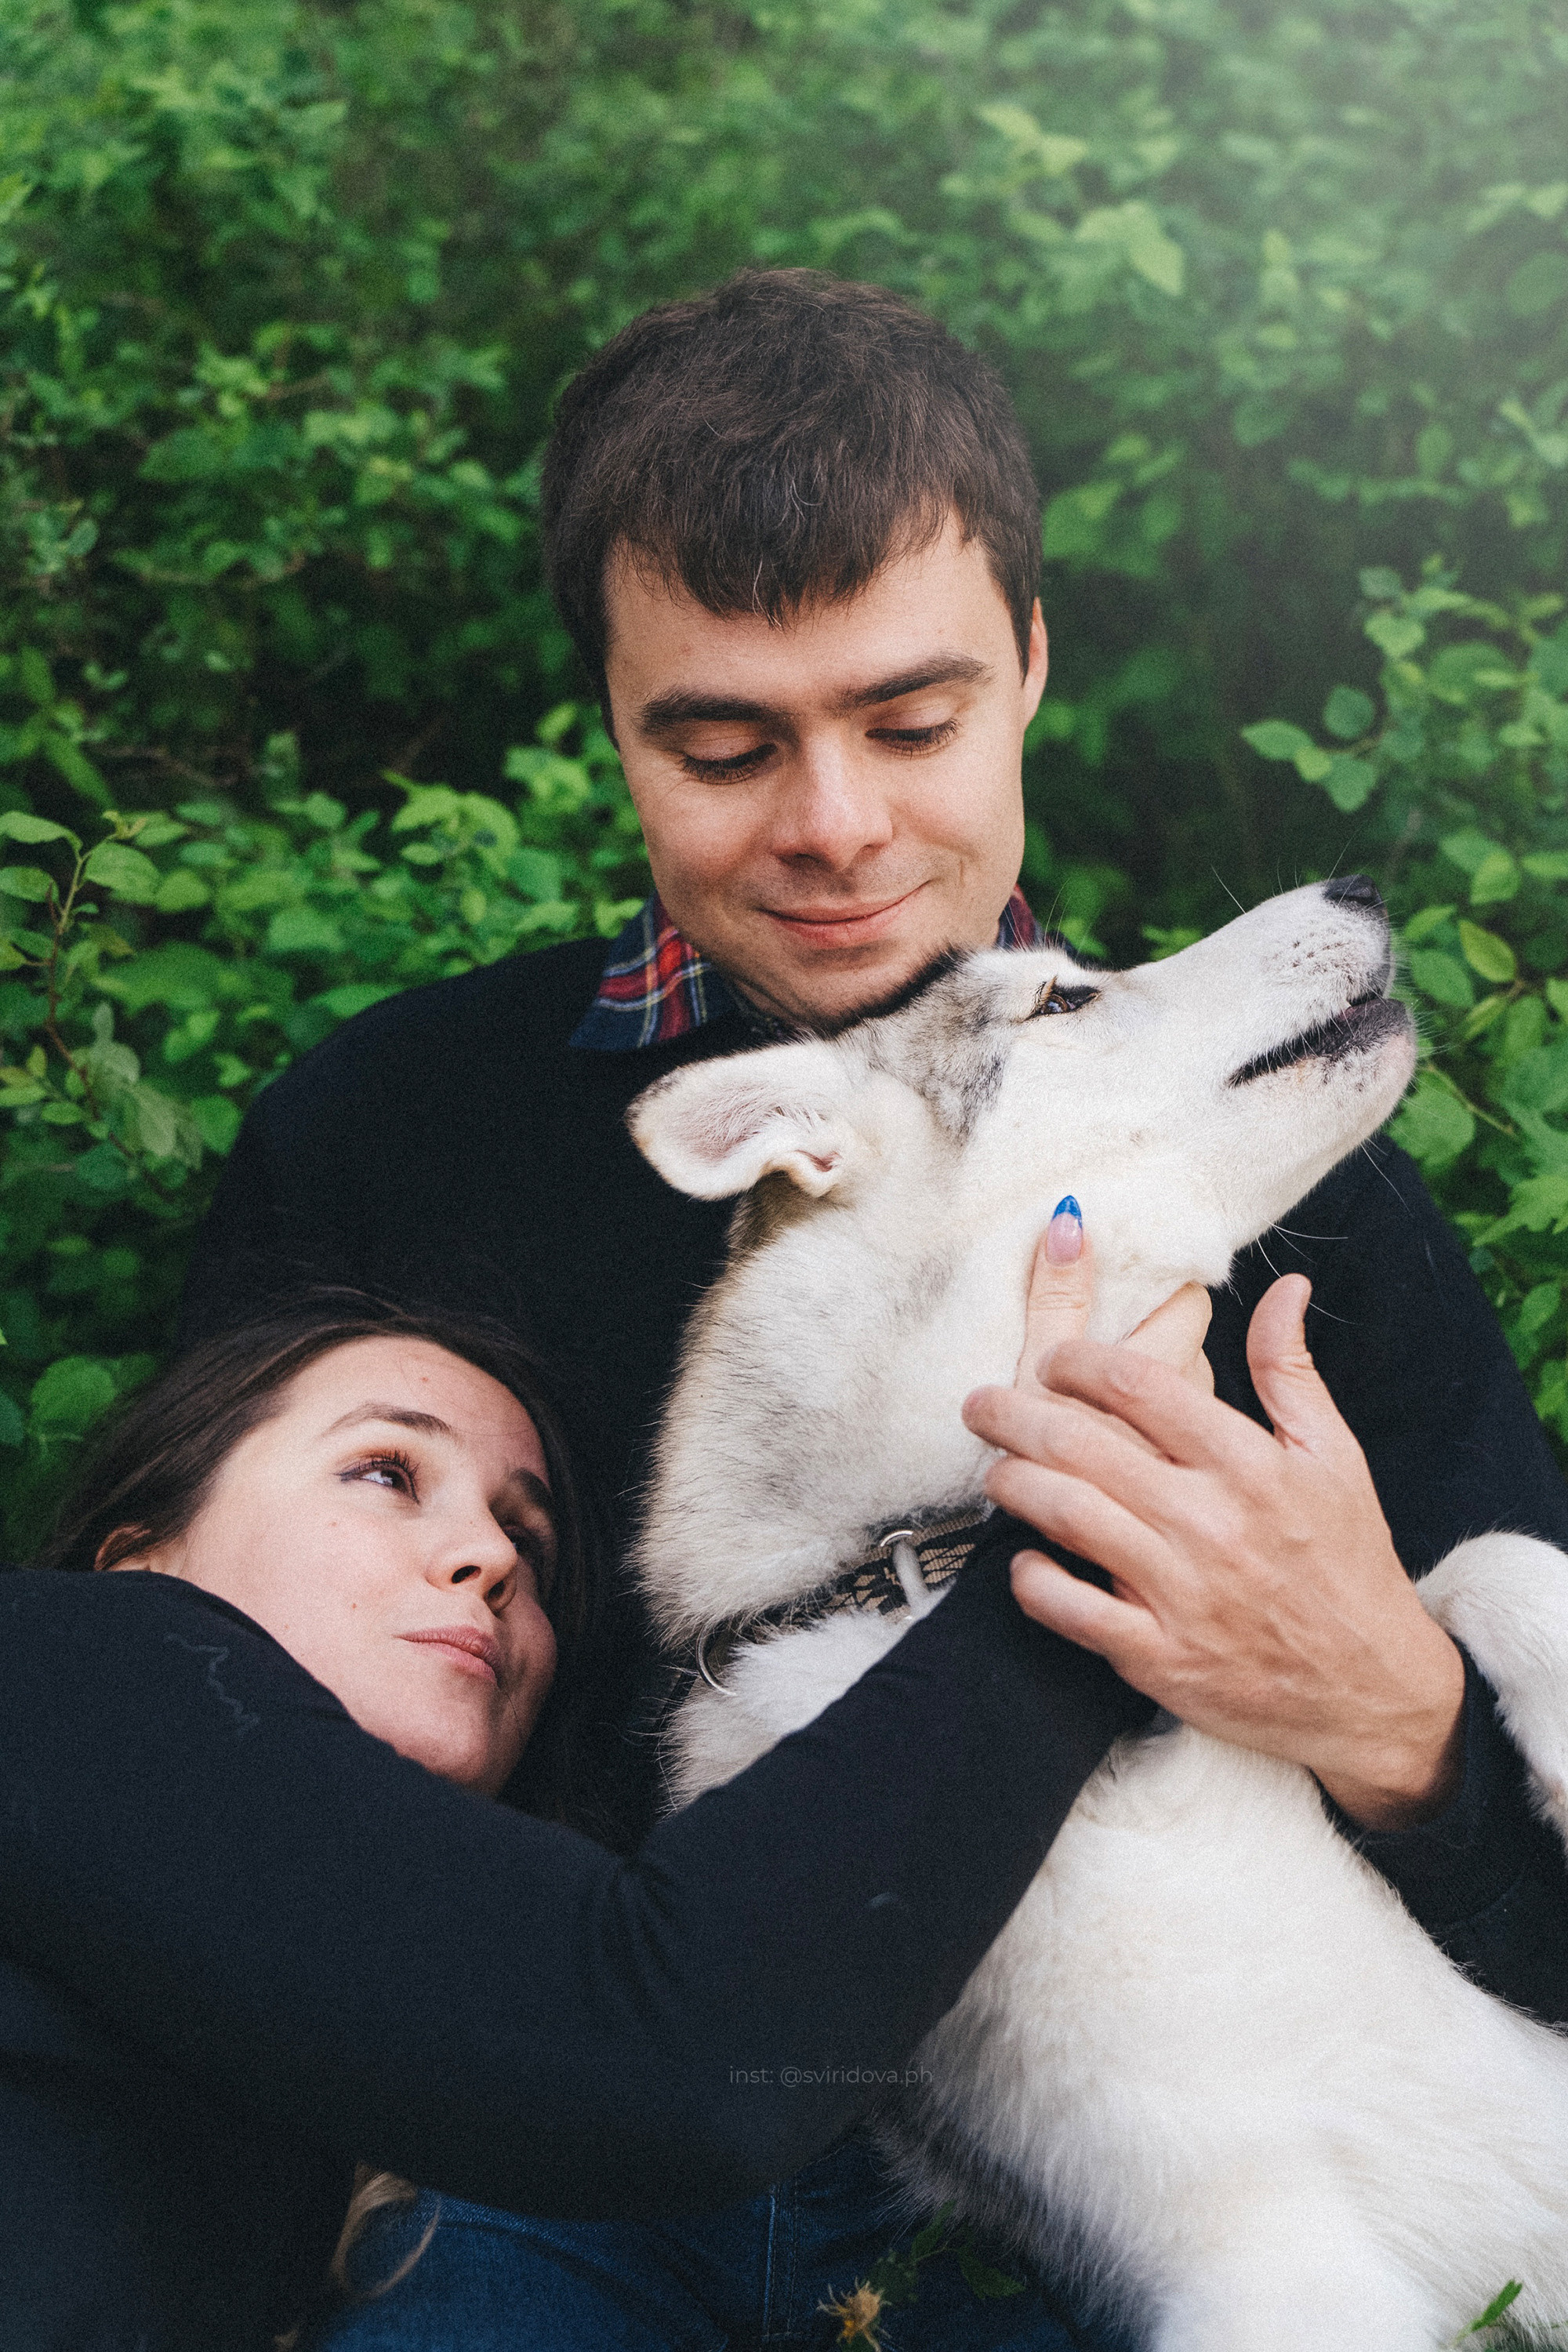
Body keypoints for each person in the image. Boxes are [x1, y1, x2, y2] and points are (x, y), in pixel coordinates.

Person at [172, 270, 1568, 2332]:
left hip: (1176, 2169)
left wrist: (1405, 1729)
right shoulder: (389, 1136)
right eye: (724, 745)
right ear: (616, 729)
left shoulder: (1290, 1189)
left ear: (1027, 663)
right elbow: (220, 1764)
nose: (835, 828)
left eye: (909, 721)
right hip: (573, 2167)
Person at [2, 1276, 1204, 2352]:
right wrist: (1083, 1548)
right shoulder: (63, 1657)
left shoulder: (330, 2084)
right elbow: (669, 2057)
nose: (486, 1555)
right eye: (385, 1472)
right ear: (140, 1558)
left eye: (527, 1536)